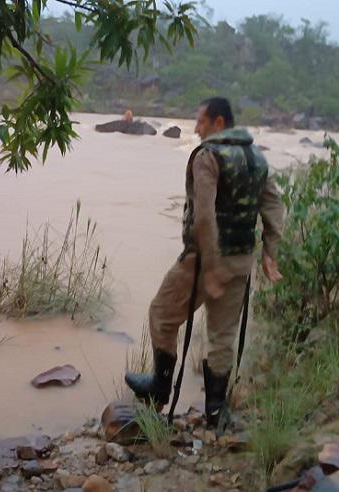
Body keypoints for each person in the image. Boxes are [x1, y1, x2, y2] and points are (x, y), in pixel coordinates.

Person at [125, 97, 284, 426]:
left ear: (219, 123)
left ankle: (159, 389)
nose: (196, 128)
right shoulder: (256, 157)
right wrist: (270, 252)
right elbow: (273, 205)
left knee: (162, 315)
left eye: (200, 121)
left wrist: (210, 267)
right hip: (241, 261)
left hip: (201, 262)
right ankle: (215, 410)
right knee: (222, 337)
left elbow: (204, 217)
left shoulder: (208, 156)